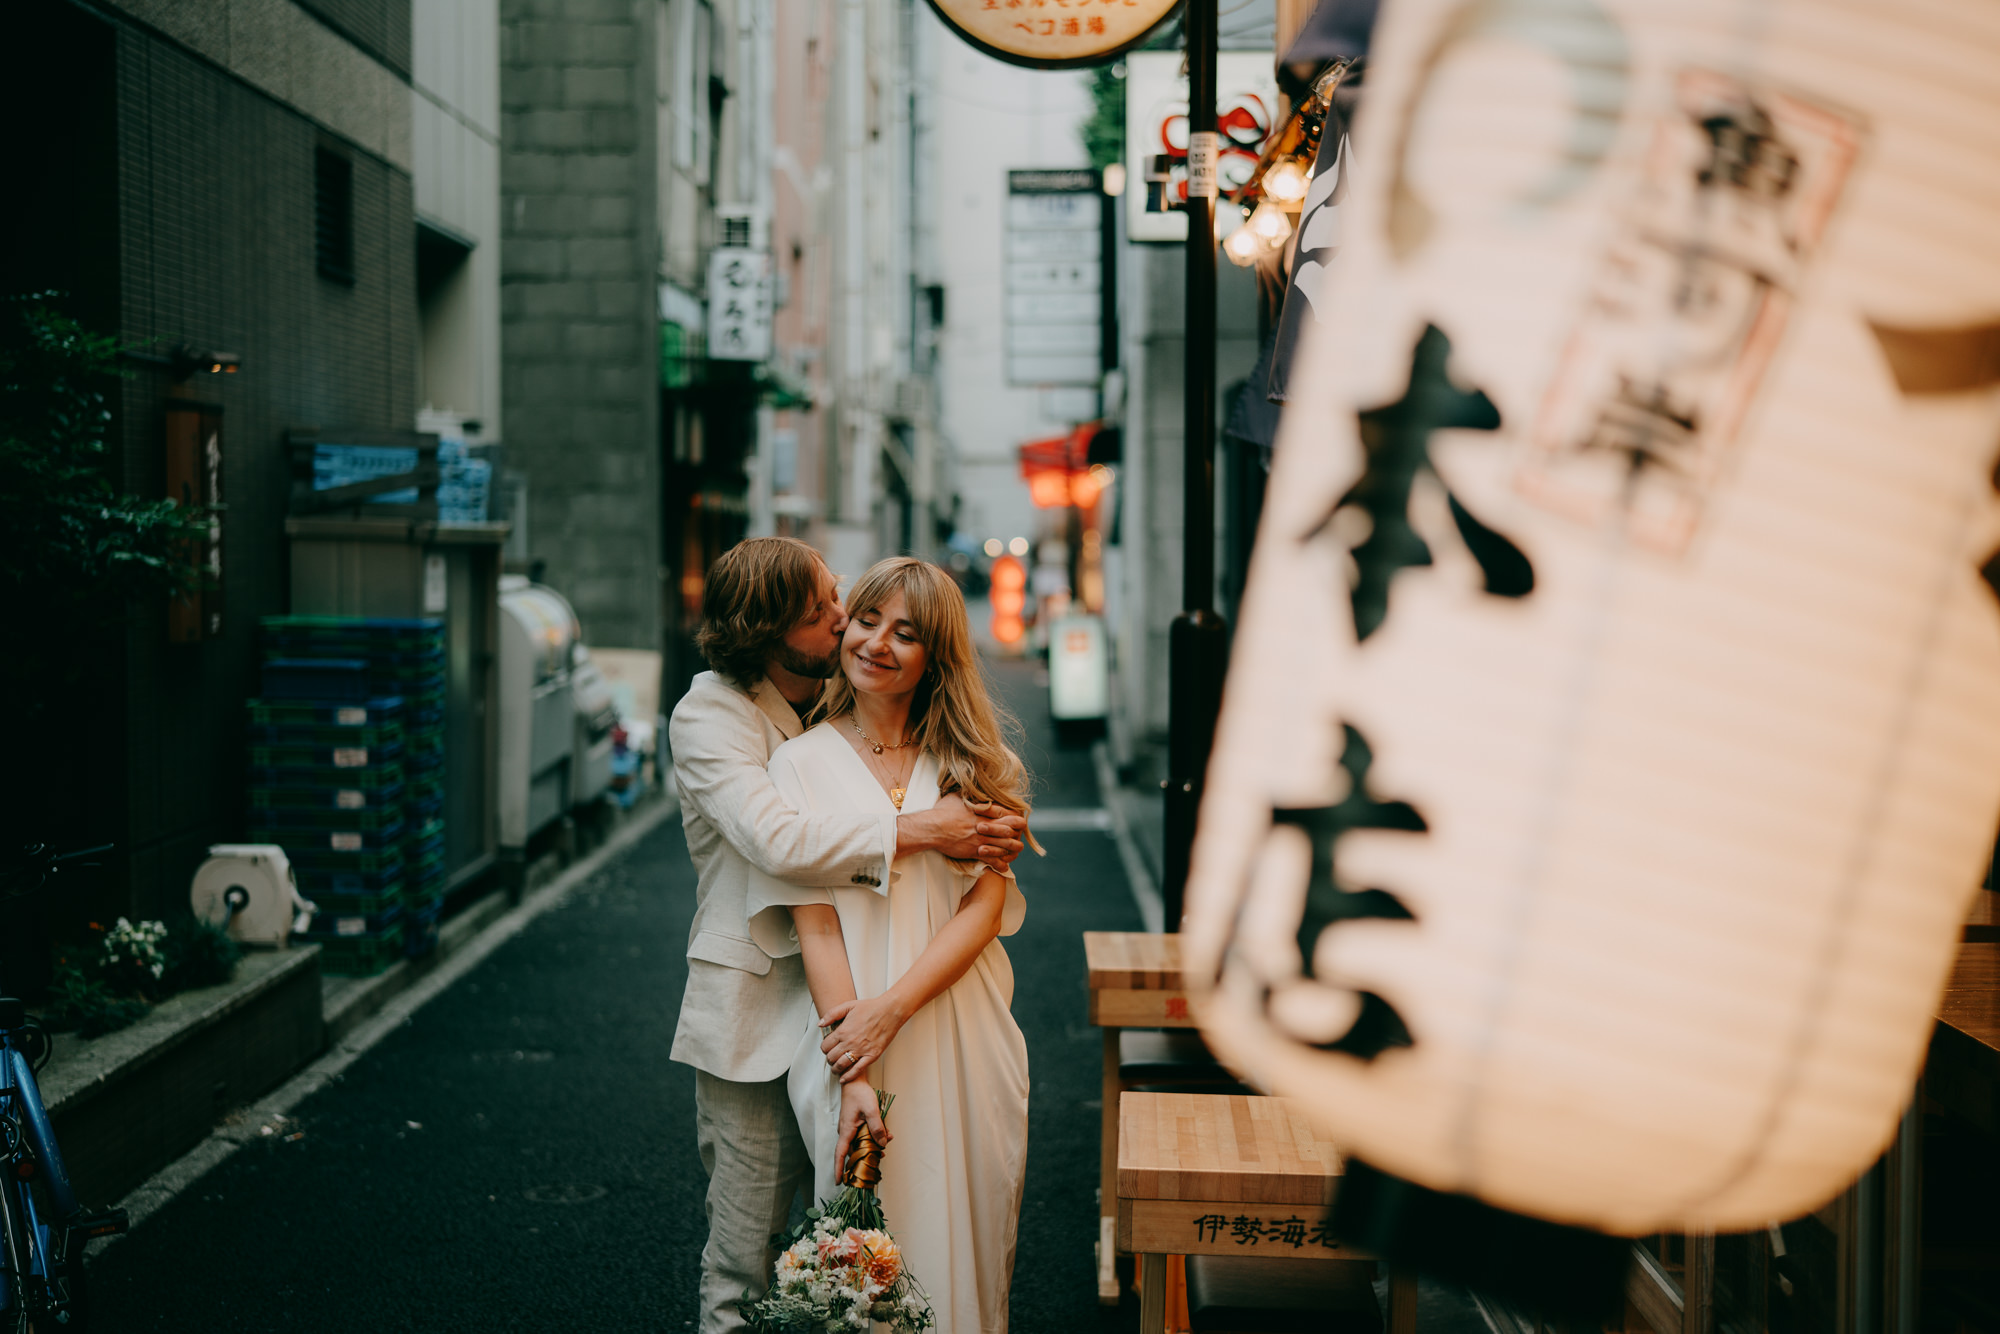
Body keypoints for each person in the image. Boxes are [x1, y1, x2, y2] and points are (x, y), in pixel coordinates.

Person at [668, 537, 1028, 1334]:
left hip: (914, 1019)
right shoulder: (715, 719)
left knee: (903, 1250)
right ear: (770, 632)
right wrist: (924, 829)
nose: (846, 627)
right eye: (829, 612)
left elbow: (987, 896)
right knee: (753, 1262)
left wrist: (892, 1007)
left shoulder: (867, 712)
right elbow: (781, 846)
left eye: (846, 602)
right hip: (769, 1018)